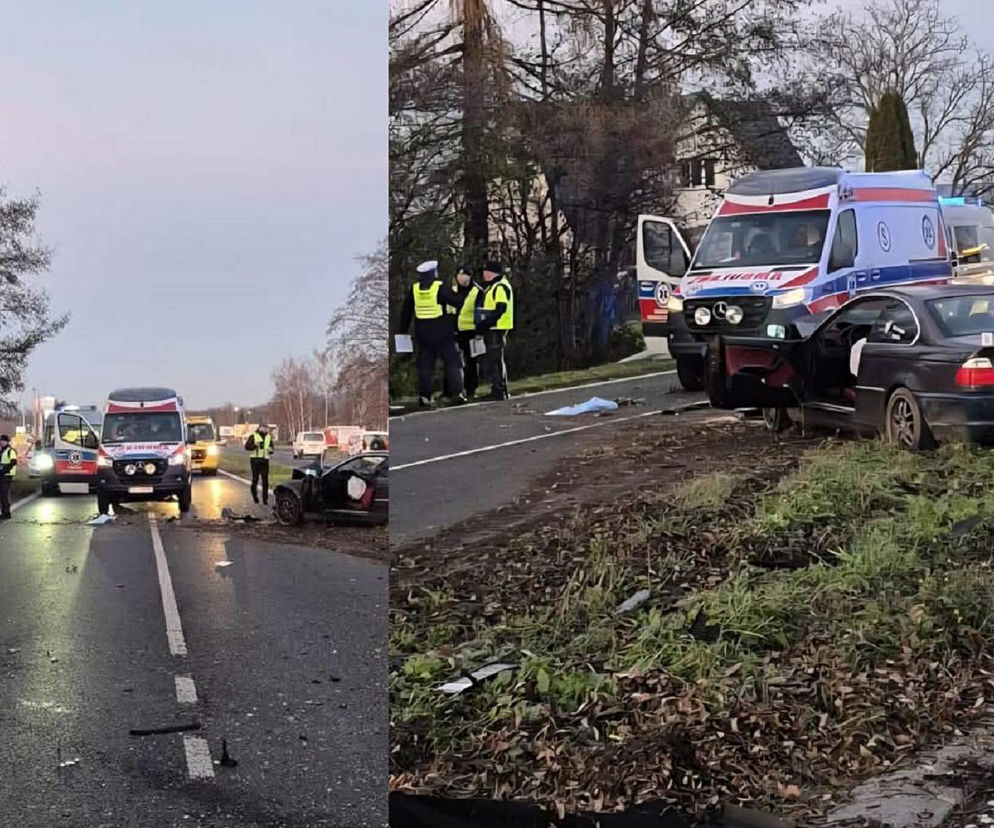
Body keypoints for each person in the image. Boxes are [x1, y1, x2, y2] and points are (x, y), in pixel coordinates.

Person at [397, 259, 466, 408]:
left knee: (425, 367)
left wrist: (403, 332)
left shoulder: (414, 290)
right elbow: (459, 302)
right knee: (453, 363)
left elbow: (406, 313)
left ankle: (424, 397)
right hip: (443, 332)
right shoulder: (440, 288)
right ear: (434, 273)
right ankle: (457, 393)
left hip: (423, 334)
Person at [477, 260, 514, 401]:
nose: (483, 274)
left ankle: (499, 389)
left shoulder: (499, 287)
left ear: (491, 273)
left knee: (495, 359)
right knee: (495, 359)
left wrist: (486, 323)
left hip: (496, 327)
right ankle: (498, 388)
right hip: (495, 326)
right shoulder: (494, 286)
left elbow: (500, 308)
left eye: (485, 271)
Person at [454, 264, 484, 399]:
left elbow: (479, 312)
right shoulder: (453, 290)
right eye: (459, 275)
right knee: (457, 362)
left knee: (472, 362)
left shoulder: (477, 291)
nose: (461, 278)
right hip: (457, 331)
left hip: (471, 331)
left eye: (463, 274)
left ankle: (471, 390)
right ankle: (458, 390)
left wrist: (479, 331)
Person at [245, 423, 274, 505]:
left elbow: (272, 448)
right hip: (255, 460)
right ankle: (255, 495)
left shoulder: (269, 437)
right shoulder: (253, 436)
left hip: (265, 460)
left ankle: (265, 499)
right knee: (255, 479)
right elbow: (247, 447)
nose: (266, 430)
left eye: (267, 428)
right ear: (260, 428)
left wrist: (271, 450)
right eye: (264, 428)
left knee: (265, 480)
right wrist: (254, 445)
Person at [0, 434, 16, 520]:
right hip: (1, 475)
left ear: (7, 442)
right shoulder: (1, 451)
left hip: (7, 476)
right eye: (1, 441)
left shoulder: (11, 451)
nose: (1, 442)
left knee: (4, 494)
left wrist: (5, 470)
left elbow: (13, 462)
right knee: (2, 495)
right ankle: (3, 512)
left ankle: (7, 512)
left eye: (3, 441)